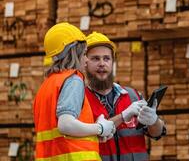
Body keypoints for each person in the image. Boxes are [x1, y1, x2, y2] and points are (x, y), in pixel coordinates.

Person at [33, 23, 115, 161]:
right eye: (84, 54)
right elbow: (66, 124)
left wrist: (92, 133)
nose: (86, 59)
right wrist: (100, 128)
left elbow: (59, 133)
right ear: (74, 53)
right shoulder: (73, 79)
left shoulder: (46, 86)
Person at [84, 31, 167, 161]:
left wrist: (153, 120)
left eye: (106, 58)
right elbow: (86, 135)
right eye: (95, 58)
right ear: (85, 63)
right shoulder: (81, 100)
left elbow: (157, 133)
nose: (102, 63)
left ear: (112, 63)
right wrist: (123, 116)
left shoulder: (133, 96)